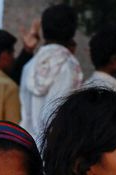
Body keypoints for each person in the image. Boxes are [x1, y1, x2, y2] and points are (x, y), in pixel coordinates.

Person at [20, 4, 83, 148]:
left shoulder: (29, 66)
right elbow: (61, 117)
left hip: (28, 149)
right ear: (72, 32)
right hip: (55, 153)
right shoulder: (70, 66)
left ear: (44, 30)